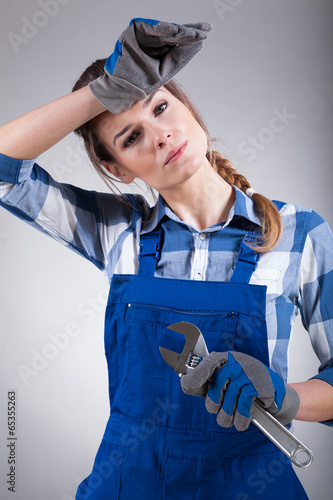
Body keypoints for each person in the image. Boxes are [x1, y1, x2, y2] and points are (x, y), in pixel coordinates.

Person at [0, 17, 332, 500]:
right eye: (130, 138)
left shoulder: (300, 233)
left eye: (160, 106)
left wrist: (287, 396)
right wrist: (104, 91)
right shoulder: (116, 231)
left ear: (188, 108)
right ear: (118, 168)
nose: (159, 136)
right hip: (128, 485)